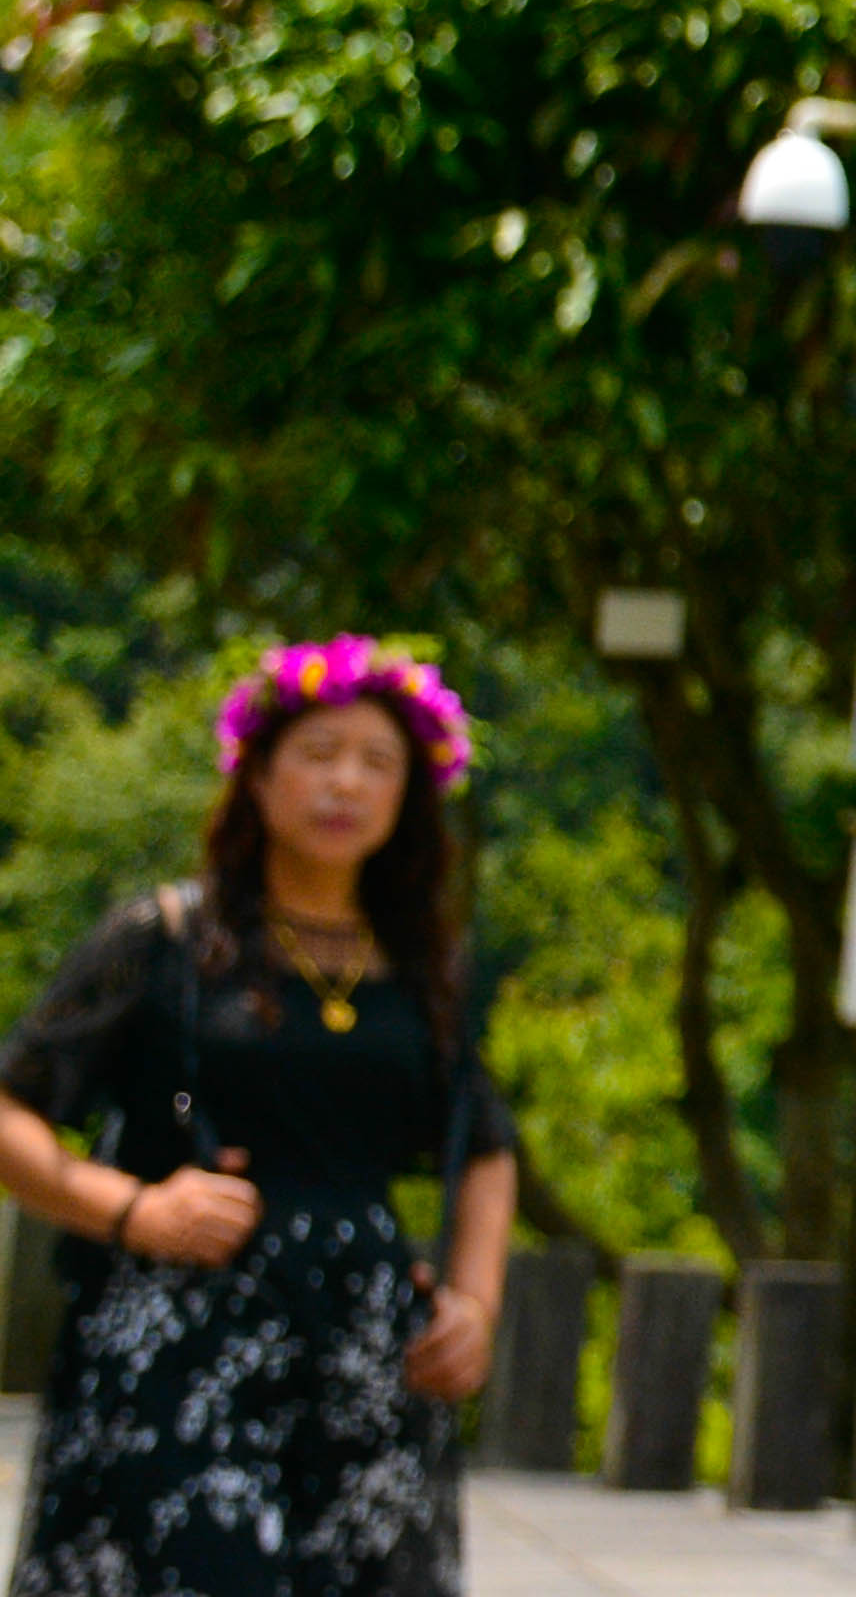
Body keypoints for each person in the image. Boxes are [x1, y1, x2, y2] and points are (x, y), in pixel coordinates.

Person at [0, 639, 521, 1597]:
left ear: (412, 794)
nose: (346, 783)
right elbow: (11, 1113)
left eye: (377, 762)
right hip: (180, 1340)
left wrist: (477, 1303)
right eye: (319, 753)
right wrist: (131, 1210)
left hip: (366, 1349)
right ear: (260, 773)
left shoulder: (424, 969)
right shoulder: (162, 938)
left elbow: (486, 1149)